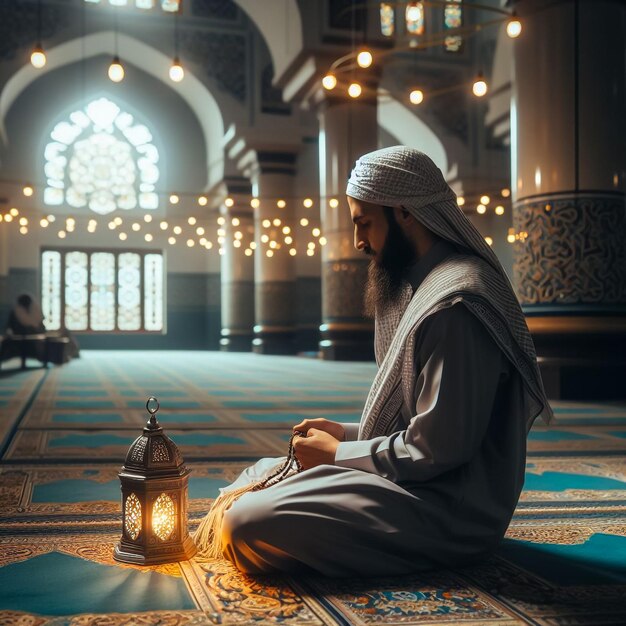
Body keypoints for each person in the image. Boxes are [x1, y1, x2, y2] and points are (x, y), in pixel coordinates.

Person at [212, 146, 553, 577]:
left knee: (249, 522)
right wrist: (346, 433)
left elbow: (438, 448)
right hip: (420, 481)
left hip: (449, 508)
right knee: (258, 477)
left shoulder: (456, 304)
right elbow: (426, 423)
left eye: (364, 223)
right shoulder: (422, 285)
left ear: (405, 213)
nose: (358, 242)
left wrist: (339, 454)